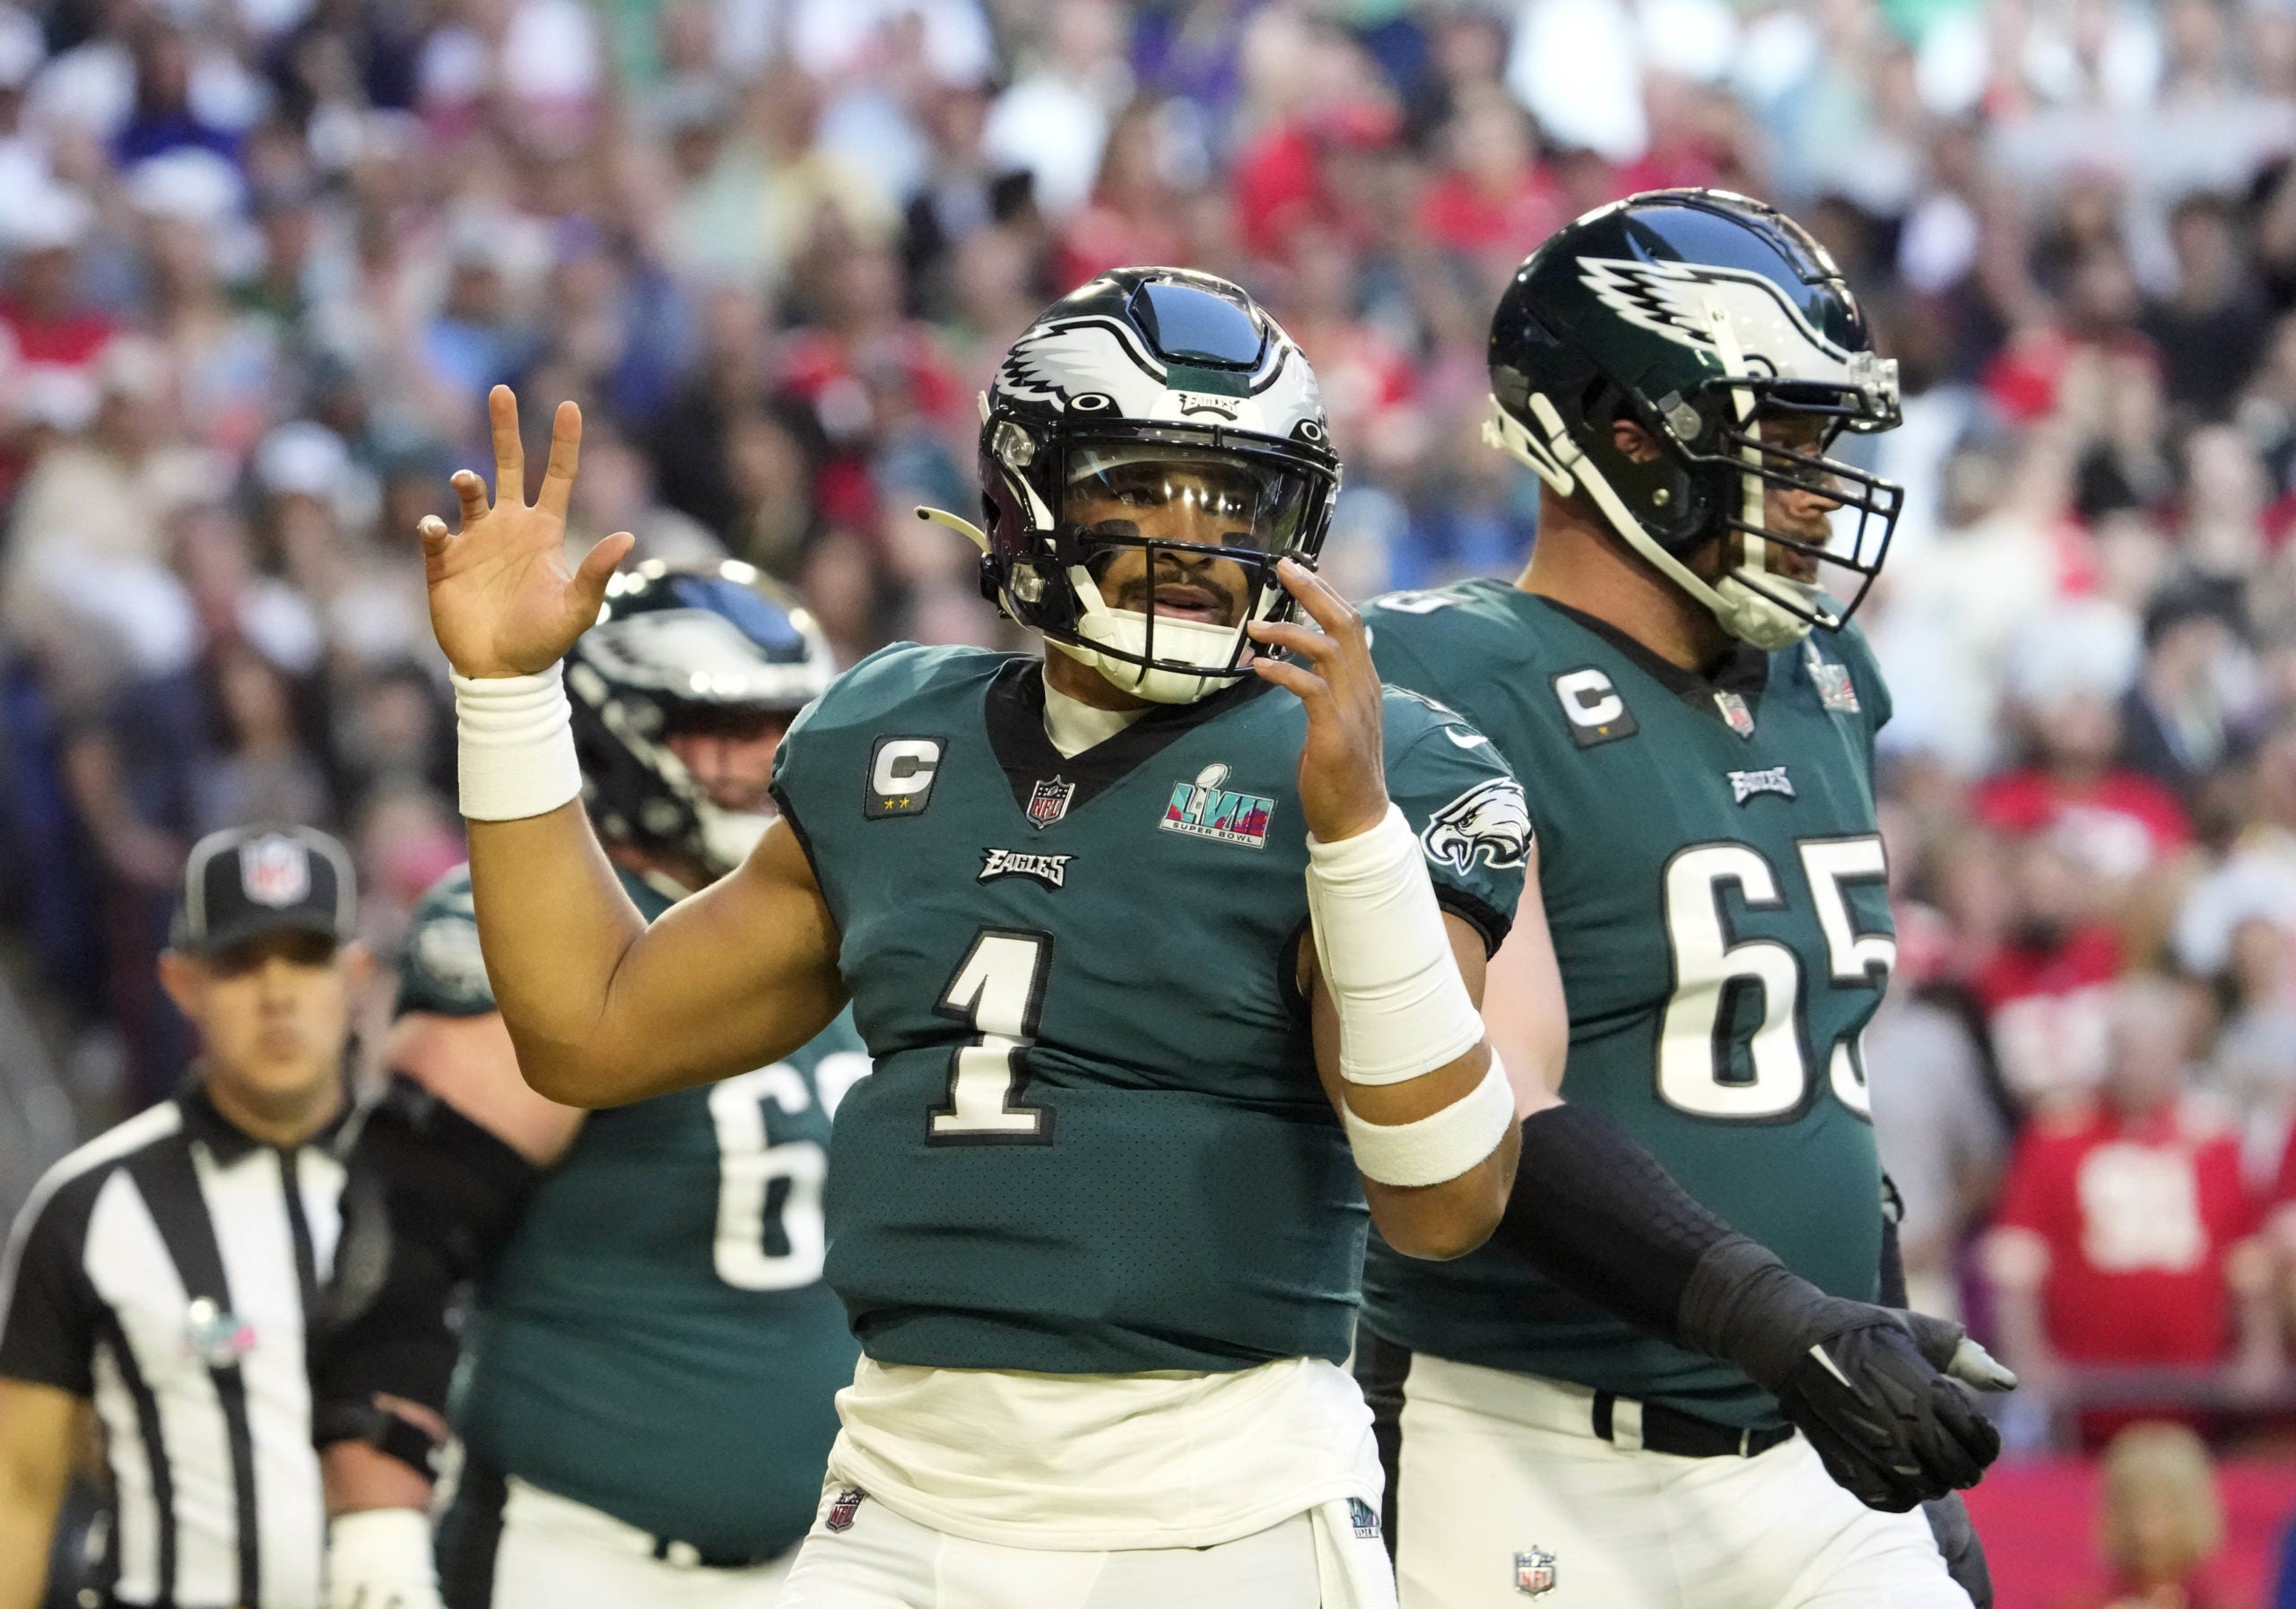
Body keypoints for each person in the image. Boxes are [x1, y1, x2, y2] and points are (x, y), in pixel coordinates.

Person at [416, 269, 1996, 1609]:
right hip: (896, 1482)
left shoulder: (1393, 754)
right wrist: (504, 699)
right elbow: (589, 1026)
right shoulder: (886, 735)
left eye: (1229, 497)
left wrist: (1358, 835)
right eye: (1143, 486)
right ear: (1030, 488)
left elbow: (1444, 1190)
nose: (1190, 537)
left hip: (1221, 1507)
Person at [1355, 189, 2005, 1609]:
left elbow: (1799, 1067)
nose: (1824, 483)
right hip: (1525, 1438)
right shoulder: (1445, 681)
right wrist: (1793, 1323)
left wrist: (1869, 1318)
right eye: (1786, 436)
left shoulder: (1826, 684)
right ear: (1626, 435)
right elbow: (1486, 1107)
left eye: (1832, 440)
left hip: (1802, 1440)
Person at [313, 562, 870, 1609]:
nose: (765, 761)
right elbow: (403, 1235)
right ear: (614, 731)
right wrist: (378, 1510)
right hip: (582, 1549)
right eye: (725, 727)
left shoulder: (834, 911)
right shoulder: (553, 933)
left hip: (831, 1552)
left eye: (783, 724)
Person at [0, 824, 370, 1609]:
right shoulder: (89, 1206)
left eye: (306, 956)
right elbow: (19, 1490)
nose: (278, 994)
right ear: (181, 984)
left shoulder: (440, 1185)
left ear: (357, 974)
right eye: (239, 962)